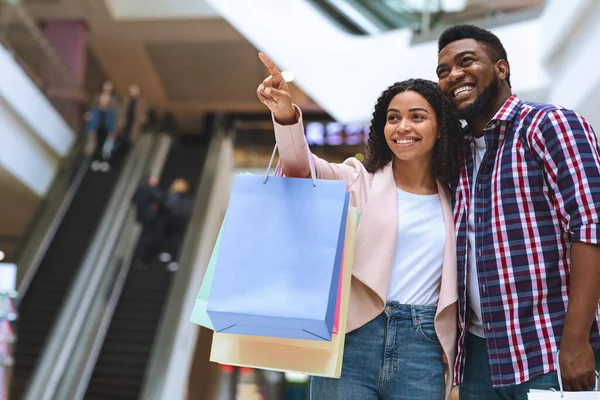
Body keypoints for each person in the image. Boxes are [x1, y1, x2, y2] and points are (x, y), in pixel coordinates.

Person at [257, 52, 463, 400]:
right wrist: (285, 116)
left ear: (439, 127)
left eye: (417, 117)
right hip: (353, 336)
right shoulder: (357, 178)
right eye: (393, 117)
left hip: (423, 346)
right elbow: (300, 170)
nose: (402, 127)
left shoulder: (459, 193)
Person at [436, 24, 600, 399]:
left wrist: (576, 341)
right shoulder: (457, 153)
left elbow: (591, 229)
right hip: (480, 358)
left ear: (501, 69)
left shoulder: (550, 124)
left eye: (466, 62)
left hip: (550, 351)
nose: (453, 75)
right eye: (443, 72)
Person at [159, 178, 192, 271]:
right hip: (181, 220)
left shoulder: (174, 195)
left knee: (170, 238)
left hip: (173, 219)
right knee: (177, 240)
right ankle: (173, 260)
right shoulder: (188, 197)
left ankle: (167, 254)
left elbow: (168, 205)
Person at [132, 176, 164, 268]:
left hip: (141, 216)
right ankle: (142, 258)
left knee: (143, 237)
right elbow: (159, 199)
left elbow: (133, 200)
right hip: (149, 217)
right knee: (147, 237)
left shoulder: (141, 189)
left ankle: (139, 257)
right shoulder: (150, 189)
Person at [85, 92, 118, 172]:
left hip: (106, 131)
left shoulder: (111, 112)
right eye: (103, 100)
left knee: (105, 148)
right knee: (95, 146)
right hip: (96, 131)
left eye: (106, 101)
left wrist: (112, 132)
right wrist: (89, 129)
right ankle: (94, 161)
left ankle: (104, 162)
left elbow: (112, 123)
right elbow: (90, 122)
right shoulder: (94, 111)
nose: (105, 102)